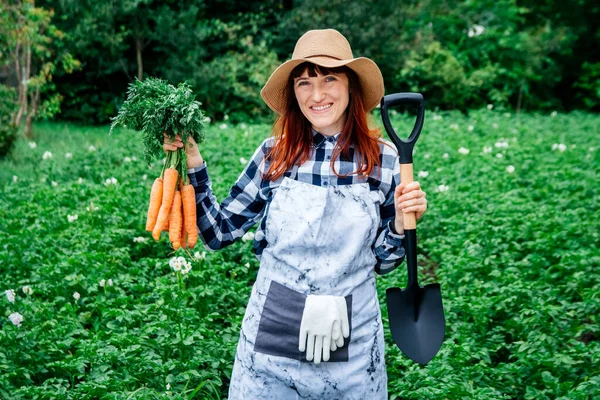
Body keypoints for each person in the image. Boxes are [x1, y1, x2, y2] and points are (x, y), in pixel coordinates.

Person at [163, 29, 427, 400]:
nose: (317, 95)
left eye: (329, 79)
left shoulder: (384, 160)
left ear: (351, 86)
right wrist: (192, 162)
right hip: (273, 335)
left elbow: (384, 263)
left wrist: (401, 223)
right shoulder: (275, 154)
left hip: (350, 336)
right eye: (304, 83)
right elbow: (219, 232)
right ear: (293, 94)